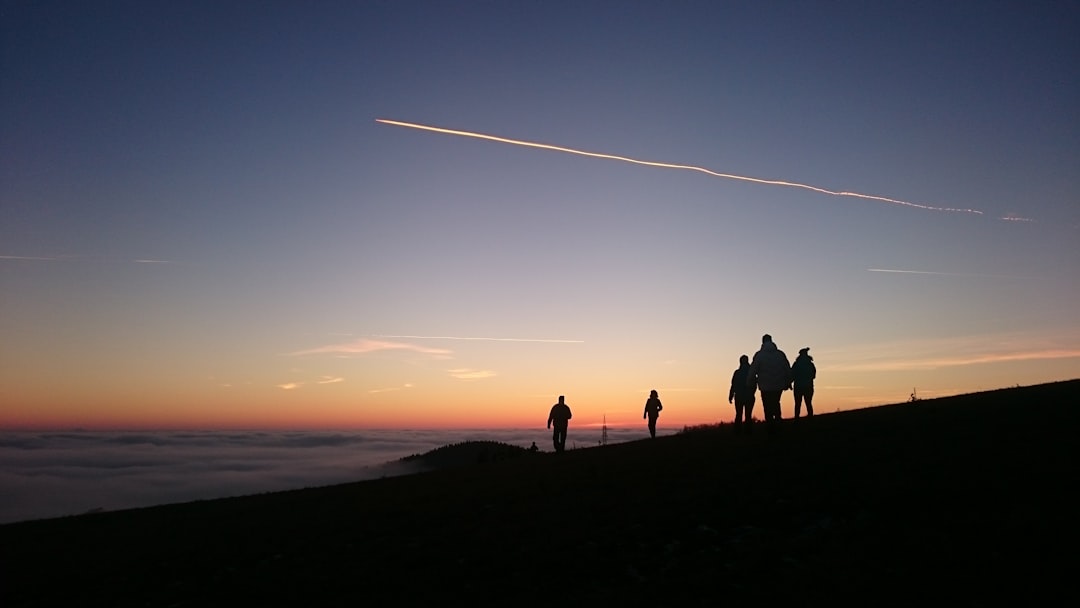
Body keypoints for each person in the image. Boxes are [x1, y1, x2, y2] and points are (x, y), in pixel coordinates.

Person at [748, 334, 792, 433]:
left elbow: (753, 370)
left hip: (765, 386)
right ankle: (778, 425)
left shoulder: (759, 355)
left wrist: (749, 381)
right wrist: (788, 382)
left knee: (767, 406)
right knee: (776, 403)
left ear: (763, 342)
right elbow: (787, 368)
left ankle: (770, 428)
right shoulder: (780, 354)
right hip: (778, 385)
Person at [728, 354, 757, 434]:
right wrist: (752, 393)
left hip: (739, 397)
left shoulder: (737, 373)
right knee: (748, 415)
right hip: (749, 397)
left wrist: (731, 395)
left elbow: (733, 385)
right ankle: (748, 432)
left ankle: (738, 432)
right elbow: (755, 384)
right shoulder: (751, 372)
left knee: (738, 415)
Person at [791, 347, 816, 418]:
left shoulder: (796, 364)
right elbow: (813, 375)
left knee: (797, 404)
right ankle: (810, 418)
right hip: (808, 386)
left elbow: (792, 374)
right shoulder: (810, 364)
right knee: (808, 403)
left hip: (798, 387)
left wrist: (789, 383)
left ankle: (796, 419)